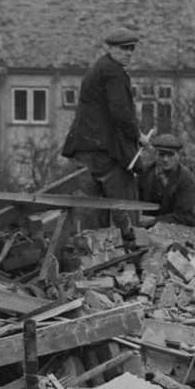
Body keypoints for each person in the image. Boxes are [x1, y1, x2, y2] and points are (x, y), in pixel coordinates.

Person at [60, 27, 146, 235]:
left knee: (92, 214)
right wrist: (138, 135)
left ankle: (92, 257)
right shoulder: (113, 72)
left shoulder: (99, 68)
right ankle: (130, 253)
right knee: (125, 207)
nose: (128, 53)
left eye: (131, 48)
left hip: (85, 150)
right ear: (109, 48)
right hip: (104, 152)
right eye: (123, 48)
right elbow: (121, 112)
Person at [137, 132, 195, 226]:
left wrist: (154, 221)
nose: (165, 159)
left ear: (178, 155)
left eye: (170, 155)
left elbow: (185, 216)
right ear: (155, 154)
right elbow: (134, 202)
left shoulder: (186, 179)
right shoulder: (144, 173)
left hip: (177, 231)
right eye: (161, 155)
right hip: (145, 231)